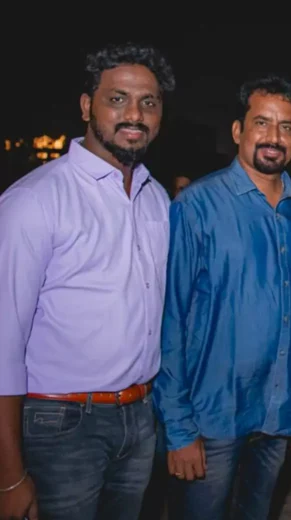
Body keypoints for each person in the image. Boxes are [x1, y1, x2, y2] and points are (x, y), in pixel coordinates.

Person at [0, 42, 175, 520]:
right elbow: (3, 346)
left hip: (140, 417)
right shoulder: (34, 201)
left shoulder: (156, 199)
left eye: (148, 102)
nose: (134, 114)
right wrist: (9, 475)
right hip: (59, 425)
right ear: (86, 106)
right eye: (117, 99)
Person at [153, 75, 291, 520]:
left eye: (286, 126)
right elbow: (170, 319)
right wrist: (178, 427)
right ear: (237, 131)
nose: (274, 137)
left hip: (277, 412)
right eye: (262, 123)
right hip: (210, 419)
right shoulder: (196, 205)